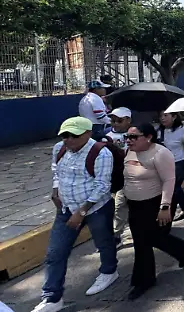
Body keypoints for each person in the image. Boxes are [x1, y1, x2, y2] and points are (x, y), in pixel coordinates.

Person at [35, 117, 118, 312]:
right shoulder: (59, 148)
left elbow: (102, 186)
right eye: (65, 135)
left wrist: (82, 212)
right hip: (65, 209)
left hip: (96, 208)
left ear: (88, 133)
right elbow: (57, 171)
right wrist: (55, 190)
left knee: (104, 242)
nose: (68, 139)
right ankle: (52, 297)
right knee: (55, 252)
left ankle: (109, 271)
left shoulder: (101, 153)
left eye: (74, 136)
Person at [123, 123, 184, 300]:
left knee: (147, 240)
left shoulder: (161, 153)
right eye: (127, 137)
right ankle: (183, 248)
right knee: (145, 240)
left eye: (134, 137)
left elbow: (169, 181)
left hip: (155, 204)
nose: (129, 140)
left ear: (148, 137)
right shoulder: (129, 151)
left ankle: (144, 280)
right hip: (135, 205)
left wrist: (164, 207)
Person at [158, 112, 184, 221]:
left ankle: (170, 212)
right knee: (175, 188)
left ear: (174, 117)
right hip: (164, 164)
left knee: (173, 187)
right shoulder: (159, 131)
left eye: (166, 115)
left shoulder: (183, 130)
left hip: (179, 163)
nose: (162, 118)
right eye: (161, 116)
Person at [107, 107, 132, 247]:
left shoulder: (136, 133)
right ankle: (116, 235)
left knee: (121, 205)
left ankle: (116, 234)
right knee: (119, 206)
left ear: (128, 120)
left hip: (133, 175)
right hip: (117, 177)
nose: (115, 123)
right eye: (113, 120)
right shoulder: (108, 137)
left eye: (120, 120)